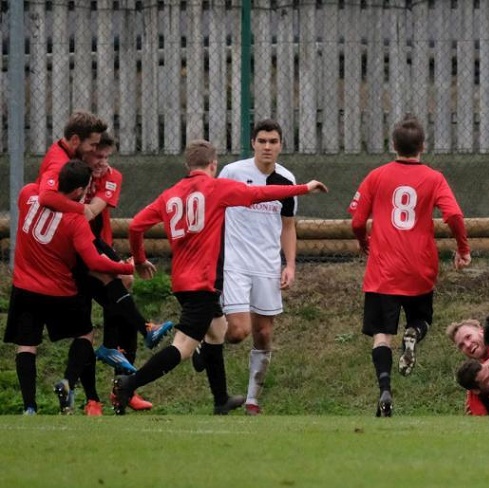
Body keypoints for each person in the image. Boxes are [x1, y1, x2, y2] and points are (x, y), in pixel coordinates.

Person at [112, 140, 328, 415]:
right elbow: (260, 193)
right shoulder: (216, 188)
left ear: (187, 165)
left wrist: (140, 259)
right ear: (213, 165)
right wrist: (303, 188)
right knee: (183, 348)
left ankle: (220, 399)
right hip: (202, 282)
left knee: (217, 332)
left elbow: (136, 225)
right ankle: (130, 384)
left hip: (182, 281)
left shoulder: (170, 195)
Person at [348, 115, 471, 417]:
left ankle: (385, 388)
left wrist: (363, 240)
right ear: (422, 146)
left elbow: (355, 220)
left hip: (383, 270)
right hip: (419, 267)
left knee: (381, 335)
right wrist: (462, 248)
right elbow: (454, 215)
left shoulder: (376, 176)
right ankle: (413, 332)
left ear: (393, 145)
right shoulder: (433, 178)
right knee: (422, 319)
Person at [4, 161, 134, 415]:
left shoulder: (27, 193)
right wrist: (128, 267)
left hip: (24, 286)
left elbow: (42, 192)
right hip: (58, 289)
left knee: (27, 346)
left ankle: (29, 406)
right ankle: (67, 381)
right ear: (78, 191)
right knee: (84, 334)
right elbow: (95, 261)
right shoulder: (74, 220)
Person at [76, 132, 172, 415]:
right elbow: (77, 216)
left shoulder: (111, 177)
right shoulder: (72, 174)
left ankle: (124, 389)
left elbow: (90, 214)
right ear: (84, 150)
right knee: (85, 329)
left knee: (122, 299)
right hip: (74, 255)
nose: (103, 162)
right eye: (97, 155)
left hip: (97, 246)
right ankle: (92, 399)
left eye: (107, 156)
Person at [215, 119, 299, 416]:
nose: (267, 146)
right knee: (238, 331)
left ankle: (252, 400)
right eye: (262, 141)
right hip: (235, 263)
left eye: (273, 141)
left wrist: (289, 264)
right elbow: (215, 212)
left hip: (267, 266)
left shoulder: (287, 180)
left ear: (280, 145)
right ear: (253, 143)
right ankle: (208, 341)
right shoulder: (232, 173)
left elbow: (287, 226)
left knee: (263, 333)